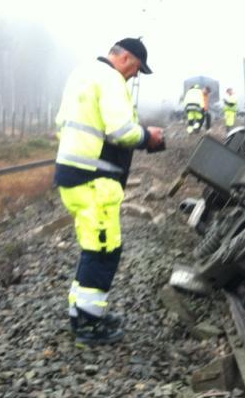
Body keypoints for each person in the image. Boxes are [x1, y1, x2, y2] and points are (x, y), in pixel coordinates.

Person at [53, 37, 165, 344]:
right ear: (126, 59)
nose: (134, 77)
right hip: (95, 177)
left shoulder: (81, 74)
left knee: (92, 244)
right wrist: (148, 136)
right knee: (104, 249)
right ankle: (89, 325)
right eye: (137, 70)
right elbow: (121, 131)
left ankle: (81, 313)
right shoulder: (112, 79)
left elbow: (61, 124)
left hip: (72, 173)